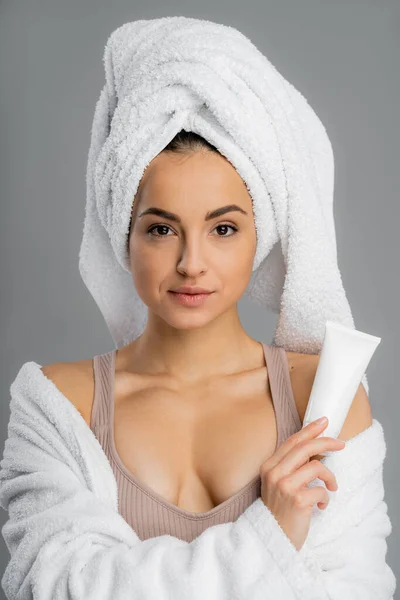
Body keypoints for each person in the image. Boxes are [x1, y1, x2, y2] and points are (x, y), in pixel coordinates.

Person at [40, 129, 371, 541]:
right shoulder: (60, 403)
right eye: (162, 229)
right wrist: (272, 538)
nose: (191, 264)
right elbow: (56, 583)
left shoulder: (323, 403)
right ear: (125, 238)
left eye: (223, 229)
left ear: (260, 238)